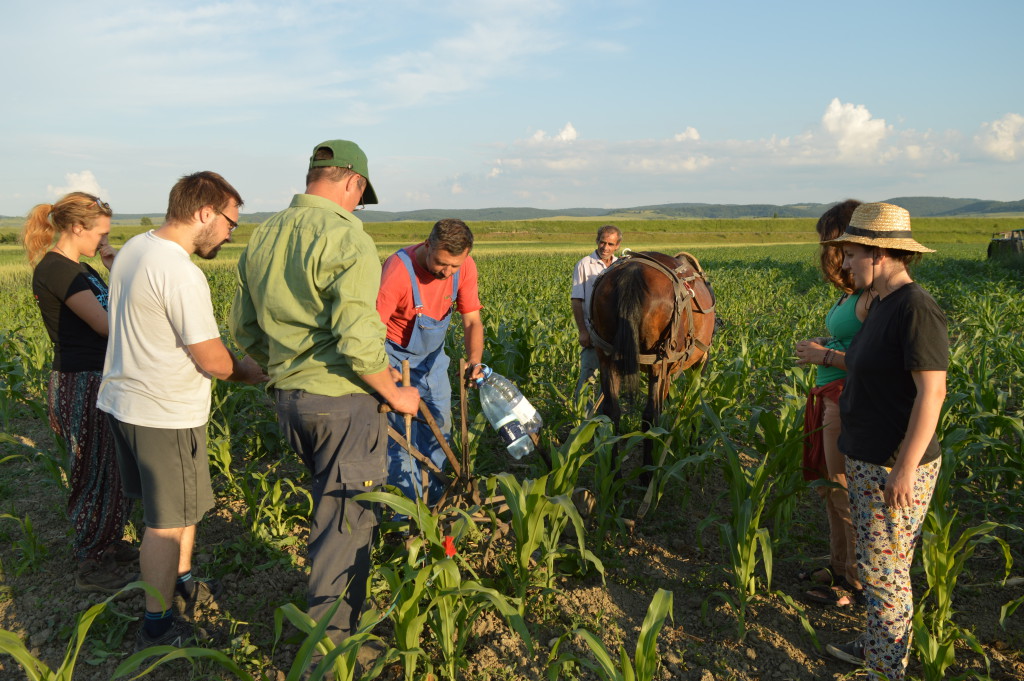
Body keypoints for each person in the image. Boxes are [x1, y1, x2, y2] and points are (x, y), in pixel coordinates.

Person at [229, 140, 420, 649]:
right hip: (344, 405)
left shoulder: (264, 234)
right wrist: (394, 392)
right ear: (353, 183)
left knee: (331, 513)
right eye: (360, 194)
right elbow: (358, 337)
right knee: (345, 526)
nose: (358, 203)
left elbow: (242, 326)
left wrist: (283, 368)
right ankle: (331, 649)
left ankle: (339, 615)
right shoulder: (347, 237)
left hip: (291, 403)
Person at [97, 171, 267, 651]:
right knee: (166, 523)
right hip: (162, 412)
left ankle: (183, 578)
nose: (233, 232)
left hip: (127, 402)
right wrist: (252, 371)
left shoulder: (135, 248)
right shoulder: (179, 271)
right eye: (231, 221)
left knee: (181, 507)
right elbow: (213, 360)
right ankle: (158, 622)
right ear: (204, 212)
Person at [821, 203, 948, 681]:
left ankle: (885, 669)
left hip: (891, 464)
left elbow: (932, 393)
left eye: (851, 254)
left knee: (884, 574)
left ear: (878, 252)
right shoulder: (881, 303)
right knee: (881, 568)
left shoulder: (915, 308)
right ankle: (877, 645)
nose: (845, 264)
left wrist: (904, 469)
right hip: (868, 457)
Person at [22, 192, 137, 593]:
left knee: (112, 467)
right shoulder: (58, 270)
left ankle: (107, 542)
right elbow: (105, 325)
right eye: (100, 233)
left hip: (99, 376)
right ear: (76, 228)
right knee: (93, 469)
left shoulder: (82, 268)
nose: (103, 241)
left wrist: (113, 265)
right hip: (83, 380)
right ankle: (90, 560)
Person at [376, 218, 484, 506]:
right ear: (427, 245)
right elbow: (373, 328)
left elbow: (472, 320)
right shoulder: (399, 270)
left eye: (454, 266)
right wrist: (384, 375)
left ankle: (434, 497)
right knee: (399, 436)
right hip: (392, 356)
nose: (447, 272)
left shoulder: (464, 268)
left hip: (433, 359)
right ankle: (407, 509)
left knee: (440, 425)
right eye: (441, 263)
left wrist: (475, 360)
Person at [794, 199, 867, 608]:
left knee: (843, 491)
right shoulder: (850, 292)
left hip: (844, 397)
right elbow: (854, 343)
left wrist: (826, 356)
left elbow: (875, 360)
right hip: (827, 396)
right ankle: (838, 565)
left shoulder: (873, 296)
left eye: (831, 241)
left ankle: (854, 582)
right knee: (828, 489)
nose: (827, 252)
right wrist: (828, 344)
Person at [570, 225, 622, 405]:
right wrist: (583, 331)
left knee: (610, 381)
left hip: (614, 334)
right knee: (588, 377)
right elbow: (577, 300)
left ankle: (602, 421)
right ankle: (582, 420)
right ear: (597, 241)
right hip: (593, 331)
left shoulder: (620, 265)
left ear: (617, 245)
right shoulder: (584, 264)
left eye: (610, 244)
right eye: (602, 242)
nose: (605, 247)